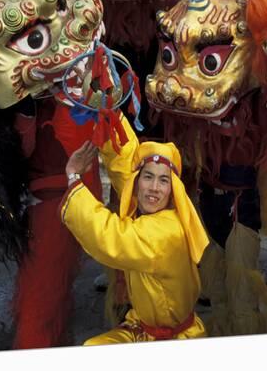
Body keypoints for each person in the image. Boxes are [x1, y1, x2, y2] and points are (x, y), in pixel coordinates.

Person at [60, 113, 209, 344]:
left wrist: (74, 177)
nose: (154, 188)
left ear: (173, 190)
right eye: (147, 177)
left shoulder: (166, 232)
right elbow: (125, 163)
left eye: (163, 181)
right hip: (141, 328)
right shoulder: (151, 209)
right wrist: (110, 112)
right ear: (137, 182)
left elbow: (110, 236)